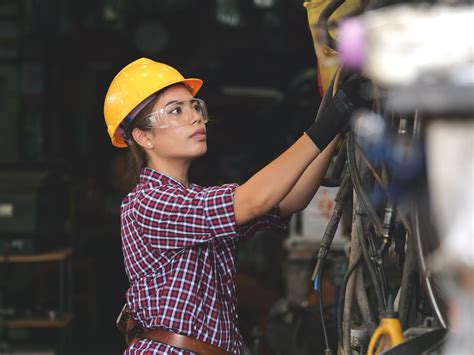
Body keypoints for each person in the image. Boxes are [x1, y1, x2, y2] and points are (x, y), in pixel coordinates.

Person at [103, 57, 367, 354]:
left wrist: (334, 129)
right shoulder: (148, 203)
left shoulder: (195, 199)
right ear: (143, 136)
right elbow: (253, 201)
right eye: (176, 110)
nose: (195, 117)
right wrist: (328, 122)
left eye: (195, 106)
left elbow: (288, 200)